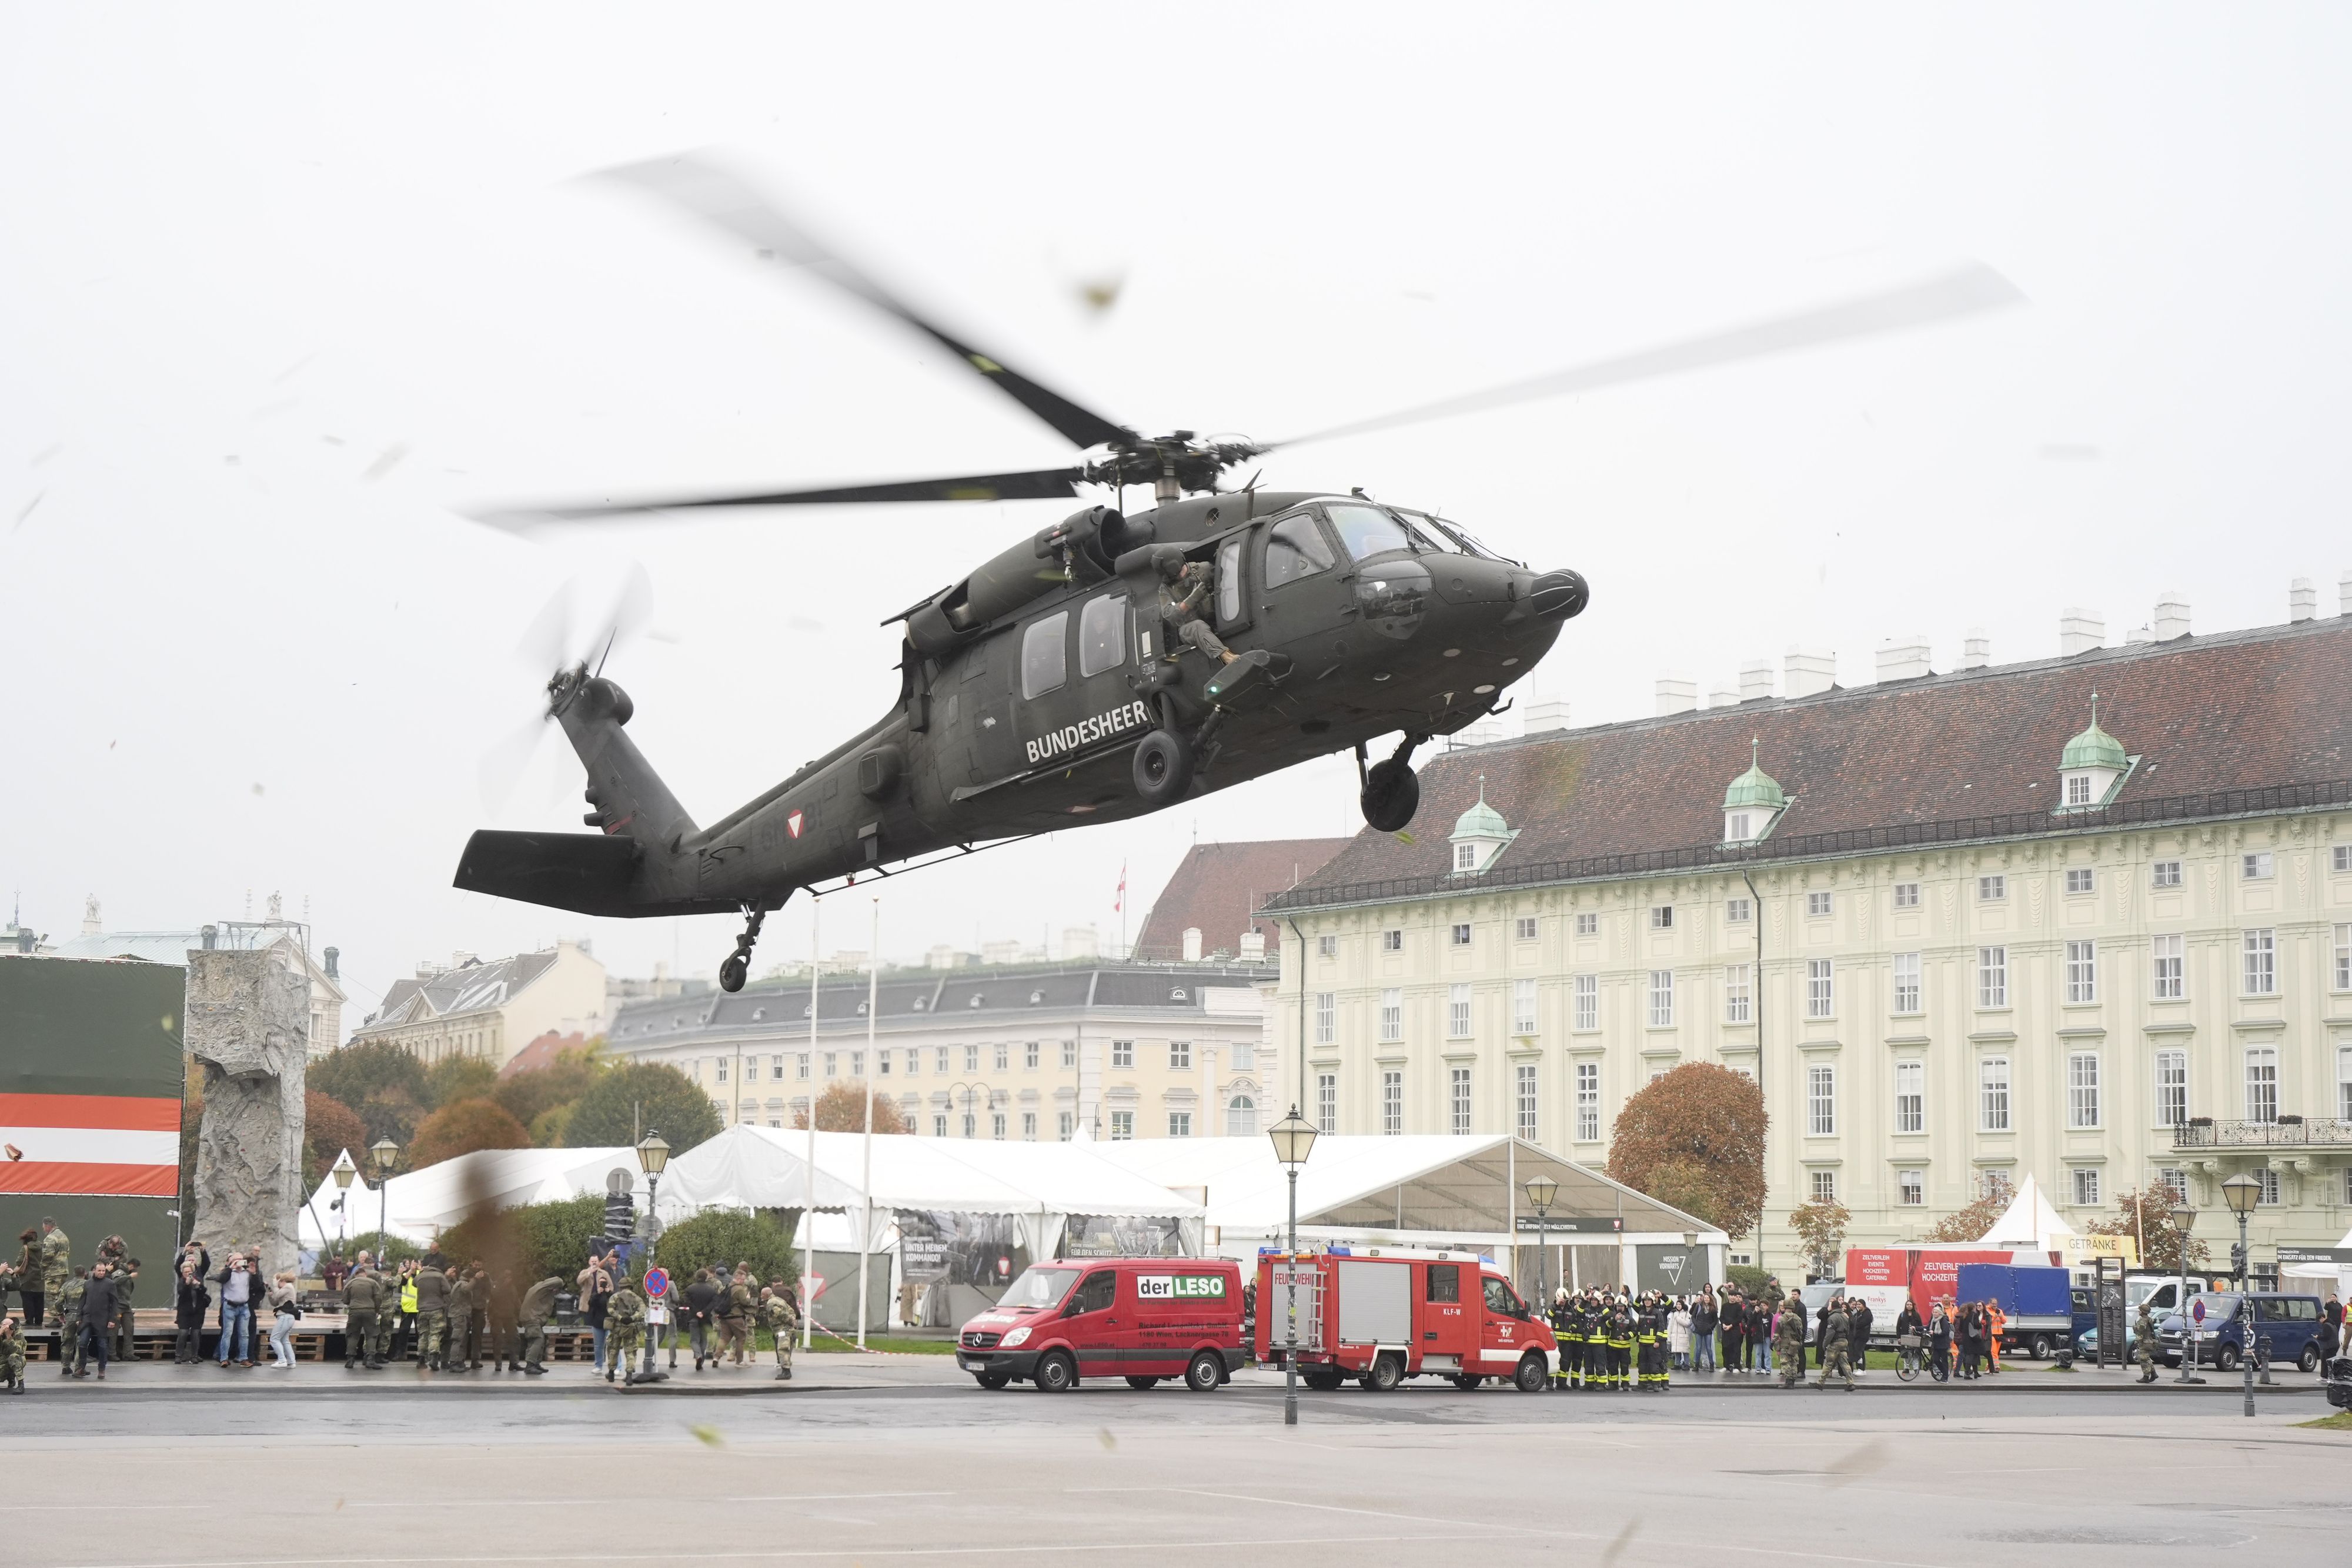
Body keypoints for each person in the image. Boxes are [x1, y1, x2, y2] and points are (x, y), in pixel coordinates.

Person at [1155, 554, 1237, 666]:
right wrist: (1191, 600)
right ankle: (1227, 658)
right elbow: (1169, 614)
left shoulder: (1204, 569)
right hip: (1189, 628)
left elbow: (1230, 584)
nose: (1176, 578)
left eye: (1178, 574)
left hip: (1217, 618)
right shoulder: (1166, 588)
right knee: (1197, 626)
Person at [215, 1252, 259, 1367]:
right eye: (237, 1260)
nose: (240, 1262)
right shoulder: (228, 1272)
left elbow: (258, 1286)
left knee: (244, 1334)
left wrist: (254, 1273)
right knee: (228, 1333)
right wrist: (231, 1268)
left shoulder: (247, 1273)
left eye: (241, 1259)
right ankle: (224, 1358)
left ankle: (244, 1358)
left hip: (244, 1306)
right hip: (230, 1306)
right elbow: (221, 1279)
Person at [604, 1271, 646, 1386]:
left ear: (620, 1286)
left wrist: (620, 1318)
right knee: (630, 1352)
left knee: (613, 1350)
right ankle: (629, 1376)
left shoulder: (615, 1297)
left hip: (617, 1328)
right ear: (631, 1286)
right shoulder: (636, 1298)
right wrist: (632, 1318)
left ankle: (611, 1373)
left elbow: (610, 1310)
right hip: (630, 1329)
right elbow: (643, 1311)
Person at [516, 1272, 563, 1375]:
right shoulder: (541, 1288)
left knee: (538, 1340)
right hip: (532, 1318)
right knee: (538, 1339)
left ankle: (536, 1364)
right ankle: (530, 1365)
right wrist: (560, 1284)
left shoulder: (540, 1290)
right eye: (556, 1290)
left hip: (533, 1318)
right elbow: (558, 1280)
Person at [342, 1257, 383, 1369]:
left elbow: (345, 1299)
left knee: (352, 1335)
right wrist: (376, 1310)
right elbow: (379, 1298)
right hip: (369, 1311)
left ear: (356, 1275)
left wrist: (352, 1304)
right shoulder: (373, 1282)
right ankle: (370, 1360)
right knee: (371, 1335)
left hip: (354, 1311)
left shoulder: (351, 1283)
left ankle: (350, 1361)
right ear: (365, 1274)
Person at [81, 1261, 117, 1380]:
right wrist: (78, 1317)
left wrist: (112, 1319)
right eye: (100, 1271)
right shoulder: (88, 1284)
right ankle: (81, 1367)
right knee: (82, 1343)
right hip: (87, 1318)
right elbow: (82, 1301)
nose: (102, 1273)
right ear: (94, 1271)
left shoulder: (110, 1284)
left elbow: (114, 1303)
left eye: (103, 1271)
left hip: (102, 1319)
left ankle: (102, 1368)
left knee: (102, 1345)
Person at [413, 1258, 451, 1371]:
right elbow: (447, 1290)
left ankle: (421, 1360)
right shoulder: (440, 1276)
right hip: (436, 1309)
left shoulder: (420, 1276)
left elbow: (414, 1284)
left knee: (423, 1335)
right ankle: (434, 1359)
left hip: (422, 1310)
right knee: (435, 1334)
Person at [758, 1283, 800, 1382]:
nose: (761, 1297)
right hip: (789, 1330)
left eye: (762, 1295)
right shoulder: (780, 1300)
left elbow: (780, 1314)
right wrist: (793, 1320)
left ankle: (786, 1372)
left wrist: (790, 1321)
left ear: (766, 1295)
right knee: (787, 1350)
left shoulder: (770, 1303)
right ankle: (786, 1369)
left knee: (783, 1350)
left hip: (782, 1330)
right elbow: (791, 1311)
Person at [579, 1260, 614, 1375]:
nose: (594, 1263)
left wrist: (608, 1291)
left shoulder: (603, 1273)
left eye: (596, 1261)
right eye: (592, 1261)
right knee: (598, 1345)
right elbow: (579, 1281)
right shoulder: (585, 1272)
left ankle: (615, 1365)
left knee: (612, 1344)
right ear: (589, 1262)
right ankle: (598, 1365)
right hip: (597, 1321)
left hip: (609, 1321)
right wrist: (589, 1273)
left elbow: (614, 1296)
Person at [173, 1261, 212, 1365]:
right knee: (183, 1333)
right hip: (185, 1312)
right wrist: (187, 1284)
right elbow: (181, 1292)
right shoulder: (181, 1282)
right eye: (185, 1272)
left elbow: (203, 1291)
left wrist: (198, 1285)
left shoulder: (197, 1280)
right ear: (182, 1273)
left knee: (195, 1334)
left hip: (197, 1312)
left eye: (189, 1272)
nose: (187, 1274)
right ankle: (178, 1355)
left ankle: (194, 1355)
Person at [54, 1266, 88, 1378]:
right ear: (85, 1273)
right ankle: (78, 1368)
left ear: (74, 1273)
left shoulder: (67, 1285)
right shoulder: (88, 1285)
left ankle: (65, 1366)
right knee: (81, 1342)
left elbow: (58, 1303)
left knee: (67, 1341)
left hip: (69, 1316)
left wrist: (61, 1314)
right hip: (82, 1317)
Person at [720, 1266, 757, 1366]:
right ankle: (738, 1356)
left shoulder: (733, 1284)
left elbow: (754, 1295)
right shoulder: (739, 1286)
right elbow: (747, 1300)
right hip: (739, 1314)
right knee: (742, 1337)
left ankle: (749, 1355)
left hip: (737, 1314)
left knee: (736, 1337)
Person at [1816, 1298, 1855, 1390]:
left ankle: (1820, 1383)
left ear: (1832, 1308)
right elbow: (1848, 1330)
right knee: (1845, 1363)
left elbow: (1830, 1333)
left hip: (1835, 1343)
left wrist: (1825, 1344)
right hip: (1844, 1342)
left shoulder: (1832, 1318)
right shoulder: (1845, 1316)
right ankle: (1851, 1383)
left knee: (1828, 1363)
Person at [38, 1218, 70, 1328]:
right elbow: (68, 1252)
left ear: (47, 1226)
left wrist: (42, 1266)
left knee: (51, 1296)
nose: (43, 1229)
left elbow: (48, 1255)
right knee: (60, 1295)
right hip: (63, 1270)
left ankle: (56, 1319)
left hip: (53, 1272)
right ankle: (61, 1316)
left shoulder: (50, 1238)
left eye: (43, 1227)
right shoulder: (64, 1236)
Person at [10, 1226, 42, 1332]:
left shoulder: (26, 1248)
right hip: (41, 1279)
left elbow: (19, 1261)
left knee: (28, 1300)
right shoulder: (43, 1246)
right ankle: (39, 1321)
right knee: (39, 1301)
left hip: (27, 1279)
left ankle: (29, 1320)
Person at [266, 1272, 300, 1368]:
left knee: (274, 1339)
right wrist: (270, 1295)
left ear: (282, 1281)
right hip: (287, 1317)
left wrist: (275, 1286)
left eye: (278, 1282)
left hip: (285, 1317)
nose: (277, 1284)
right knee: (285, 1340)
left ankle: (282, 1360)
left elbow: (277, 1295)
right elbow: (275, 1302)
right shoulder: (286, 1289)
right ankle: (291, 1361)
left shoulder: (288, 1286)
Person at [1773, 1298, 1806, 1388]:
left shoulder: (1782, 1318)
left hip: (1785, 1342)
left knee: (1785, 1362)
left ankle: (1788, 1382)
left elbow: (1777, 1332)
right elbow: (1801, 1331)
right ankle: (1793, 1381)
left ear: (1785, 1306)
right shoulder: (1798, 1318)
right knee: (1794, 1362)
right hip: (1795, 1343)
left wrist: (1773, 1341)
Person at [1690, 1289, 1718, 1375]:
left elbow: (1715, 1320)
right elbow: (1693, 1317)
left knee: (1709, 1348)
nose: (1706, 1299)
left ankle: (1711, 1365)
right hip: (1699, 1330)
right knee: (1698, 1348)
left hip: (1708, 1330)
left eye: (1707, 1298)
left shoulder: (1713, 1309)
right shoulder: (1699, 1306)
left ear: (1710, 1299)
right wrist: (1696, 1324)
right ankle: (1697, 1365)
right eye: (1705, 1298)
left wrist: (1711, 1327)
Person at [2134, 1300, 2160, 1383]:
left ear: (2142, 1311)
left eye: (2140, 1310)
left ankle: (2146, 1376)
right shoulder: (2149, 1319)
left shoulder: (2143, 1321)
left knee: (2144, 1359)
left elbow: (2141, 1333)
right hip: (2149, 1341)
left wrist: (2137, 1341)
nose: (2139, 1311)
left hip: (2144, 1342)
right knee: (2147, 1358)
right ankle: (2153, 1373)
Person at [1848, 1296, 1873, 1375]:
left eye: (1859, 1304)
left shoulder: (1867, 1313)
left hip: (1862, 1336)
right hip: (1857, 1335)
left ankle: (1861, 1368)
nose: (1858, 1306)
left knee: (1858, 1351)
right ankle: (1862, 1368)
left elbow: (1862, 1323)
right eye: (1857, 1305)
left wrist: (1856, 1324)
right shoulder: (1859, 1313)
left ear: (1864, 1305)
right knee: (1860, 1352)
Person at [1927, 1302, 1952, 1382]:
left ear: (1940, 1313)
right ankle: (1945, 1372)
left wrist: (1934, 1333)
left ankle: (1945, 1377)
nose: (1934, 1314)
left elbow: (1945, 1332)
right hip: (1936, 1344)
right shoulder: (1933, 1321)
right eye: (1933, 1312)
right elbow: (1928, 1328)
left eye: (1936, 1312)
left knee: (1944, 1360)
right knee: (1936, 1360)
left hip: (1943, 1344)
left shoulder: (1943, 1321)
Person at [0, 1313, 22, 1394]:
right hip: (2, 1360)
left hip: (15, 1359)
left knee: (14, 1357)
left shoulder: (18, 1333)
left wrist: (9, 1337)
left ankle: (21, 1385)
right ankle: (10, 1377)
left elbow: (19, 1351)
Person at [1668, 1298, 1692, 1373]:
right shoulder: (1673, 1314)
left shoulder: (1686, 1313)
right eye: (1677, 1304)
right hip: (1675, 1335)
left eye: (1680, 1304)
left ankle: (1687, 1364)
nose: (1678, 1306)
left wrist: (1679, 1319)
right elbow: (1670, 1325)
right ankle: (1677, 1364)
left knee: (1685, 1351)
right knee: (1677, 1351)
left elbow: (1688, 1323)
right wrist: (1669, 1335)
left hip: (1684, 1335)